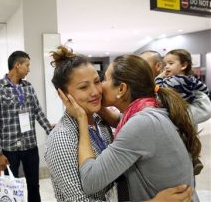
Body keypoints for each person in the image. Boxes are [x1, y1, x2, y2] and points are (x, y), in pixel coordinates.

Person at [45, 46, 193, 202]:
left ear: (122, 88)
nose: (96, 91)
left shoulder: (102, 123)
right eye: (83, 87)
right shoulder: (62, 139)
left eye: (98, 81)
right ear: (63, 95)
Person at [0, 50, 53, 202]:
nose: (29, 69)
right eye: (27, 65)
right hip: (9, 150)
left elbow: (37, 112)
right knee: (10, 188)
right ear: (17, 65)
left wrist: (50, 130)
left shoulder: (28, 87)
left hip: (30, 146)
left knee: (34, 186)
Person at [140, 50, 211, 125]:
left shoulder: (173, 80)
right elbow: (204, 89)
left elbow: (200, 111)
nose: (167, 66)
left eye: (143, 64)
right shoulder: (190, 79)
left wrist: (159, 78)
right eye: (166, 64)